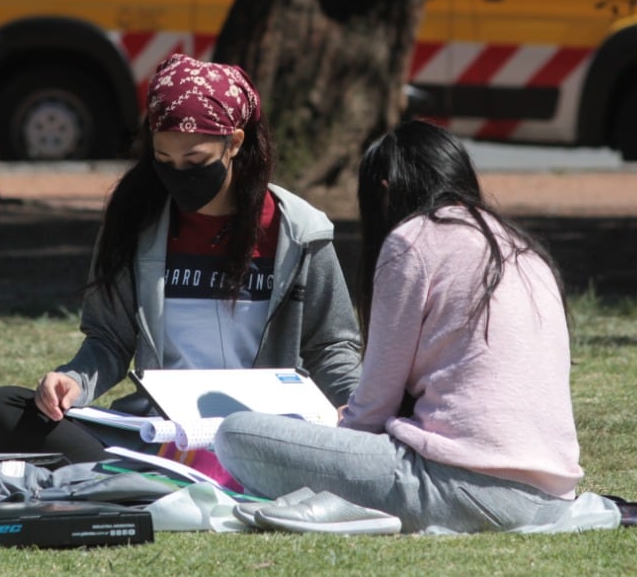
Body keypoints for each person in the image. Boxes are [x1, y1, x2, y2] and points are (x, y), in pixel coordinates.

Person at [0, 54, 362, 463]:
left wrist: (358, 409)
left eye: (195, 161)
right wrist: (72, 381)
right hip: (161, 431)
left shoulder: (300, 231)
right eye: (164, 161)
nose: (179, 174)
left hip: (270, 435)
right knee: (4, 409)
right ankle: (170, 474)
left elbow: (331, 346)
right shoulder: (133, 224)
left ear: (234, 142)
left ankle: (144, 478)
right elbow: (108, 340)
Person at [214, 119, 583, 533]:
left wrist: (343, 435)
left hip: (459, 486)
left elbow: (375, 407)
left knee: (235, 433)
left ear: (385, 189)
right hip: (554, 496)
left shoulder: (413, 239)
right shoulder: (522, 247)